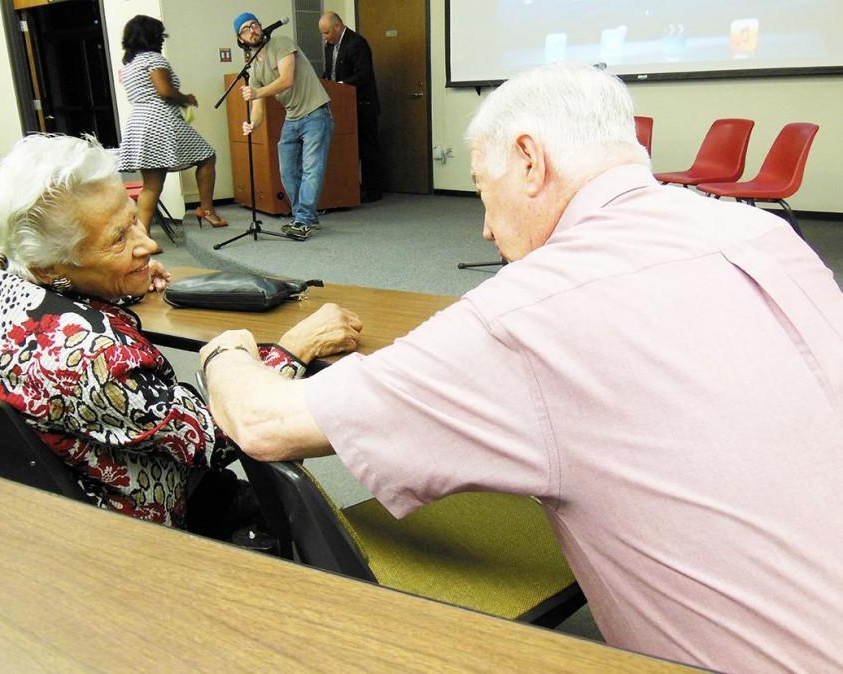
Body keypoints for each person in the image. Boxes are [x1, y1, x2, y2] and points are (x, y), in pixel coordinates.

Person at [200, 63, 843, 671]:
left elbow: (264, 423)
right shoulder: (764, 234)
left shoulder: (531, 312)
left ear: (530, 160)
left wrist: (227, 350)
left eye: (483, 186)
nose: (483, 227)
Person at [0, 133, 362, 541]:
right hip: (131, 527)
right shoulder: (91, 358)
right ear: (54, 266)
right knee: (309, 520)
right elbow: (222, 435)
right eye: (118, 238)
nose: (150, 245)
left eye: (132, 219)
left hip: (22, 500)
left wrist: (113, 279)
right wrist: (295, 347)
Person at [117, 14, 228, 246]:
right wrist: (187, 98)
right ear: (152, 37)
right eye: (159, 35)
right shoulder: (154, 59)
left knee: (151, 186)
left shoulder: (129, 65)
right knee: (207, 157)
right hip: (161, 120)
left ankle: (143, 238)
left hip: (139, 122)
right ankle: (207, 210)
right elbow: (165, 91)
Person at [235, 11, 333, 241]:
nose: (252, 30)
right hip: (293, 117)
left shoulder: (281, 43)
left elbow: (286, 79)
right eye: (245, 29)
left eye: (254, 24)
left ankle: (303, 220)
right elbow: (258, 107)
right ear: (241, 40)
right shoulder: (254, 67)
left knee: (311, 169)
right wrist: (252, 123)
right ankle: (306, 217)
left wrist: (257, 91)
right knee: (287, 171)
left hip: (315, 111)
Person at [318, 11, 382, 203]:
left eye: (327, 32)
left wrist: (338, 85)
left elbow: (363, 75)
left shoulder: (357, 43)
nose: (325, 37)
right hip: (342, 106)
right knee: (348, 148)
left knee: (368, 148)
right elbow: (329, 71)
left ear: (338, 27)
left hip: (363, 105)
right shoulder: (329, 46)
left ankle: (373, 190)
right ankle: (351, 189)